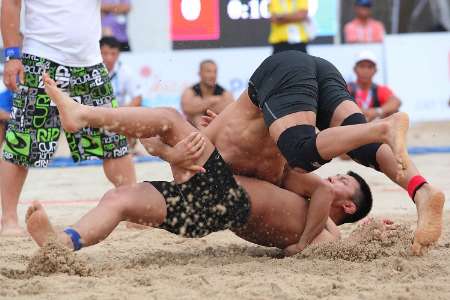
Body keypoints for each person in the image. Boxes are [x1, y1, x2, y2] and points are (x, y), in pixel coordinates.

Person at [25, 74, 374, 256]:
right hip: (207, 210)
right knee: (120, 199)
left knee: (168, 118)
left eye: (344, 181)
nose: (333, 177)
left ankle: (83, 115)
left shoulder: (324, 226)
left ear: (349, 204)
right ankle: (63, 244)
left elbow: (331, 238)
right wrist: (185, 149)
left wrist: (363, 238)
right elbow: (258, 165)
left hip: (228, 202)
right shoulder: (297, 190)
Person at [202, 50, 444, 255]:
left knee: (300, 152)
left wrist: (305, 242)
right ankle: (421, 189)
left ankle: (381, 128)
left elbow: (324, 202)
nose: (334, 178)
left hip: (283, 70)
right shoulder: (292, 190)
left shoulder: (295, 192)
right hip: (317, 69)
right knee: (364, 148)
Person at [0, 0, 136, 236]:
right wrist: (12, 55)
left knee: (112, 141)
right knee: (22, 140)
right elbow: (10, 4)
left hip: (89, 61)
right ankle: (9, 218)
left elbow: (115, 4)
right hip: (39, 58)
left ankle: (135, 209)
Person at [348, 51, 401, 121]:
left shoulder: (380, 89)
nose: (365, 71)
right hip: (352, 127)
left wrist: (377, 111)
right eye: (362, 66)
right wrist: (364, 112)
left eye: (370, 67)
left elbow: (396, 101)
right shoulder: (347, 88)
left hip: (374, 127)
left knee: (395, 112)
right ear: (355, 69)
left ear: (375, 70)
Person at [181, 60, 234, 128]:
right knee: (198, 117)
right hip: (194, 130)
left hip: (217, 129)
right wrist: (212, 100)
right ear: (200, 73)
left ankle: (205, 136)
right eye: (208, 72)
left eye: (215, 72)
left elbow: (231, 111)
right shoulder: (190, 91)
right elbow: (186, 109)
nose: (213, 75)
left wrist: (200, 105)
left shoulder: (225, 93)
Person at [100, 36, 142, 107]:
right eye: (105, 53)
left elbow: (137, 98)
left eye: (113, 53)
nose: (109, 58)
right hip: (95, 113)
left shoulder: (126, 71)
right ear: (98, 53)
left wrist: (121, 113)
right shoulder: (90, 71)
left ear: (119, 54)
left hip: (117, 113)